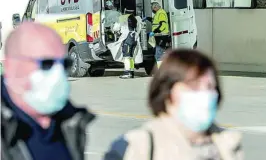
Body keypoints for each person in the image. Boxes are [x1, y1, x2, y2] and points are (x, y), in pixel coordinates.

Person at [103, 49, 243, 160]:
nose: (205, 93)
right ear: (167, 92)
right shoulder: (135, 146)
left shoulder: (228, 144)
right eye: (193, 86)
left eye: (210, 86)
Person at [1, 22, 96, 160]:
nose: (58, 74)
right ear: (12, 67)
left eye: (64, 64)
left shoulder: (69, 121)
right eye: (46, 64)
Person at [108, 13, 143, 79]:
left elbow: (116, 28)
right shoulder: (136, 19)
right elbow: (139, 28)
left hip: (127, 39)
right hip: (134, 39)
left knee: (126, 57)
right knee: (131, 57)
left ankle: (127, 72)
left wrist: (112, 29)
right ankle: (131, 71)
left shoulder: (122, 19)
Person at [143, 2, 170, 68]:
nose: (152, 10)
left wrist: (154, 32)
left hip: (162, 35)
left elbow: (163, 25)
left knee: (159, 54)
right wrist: (147, 18)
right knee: (158, 54)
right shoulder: (158, 13)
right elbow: (154, 21)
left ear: (155, 7)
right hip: (159, 36)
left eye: (152, 8)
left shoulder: (161, 13)